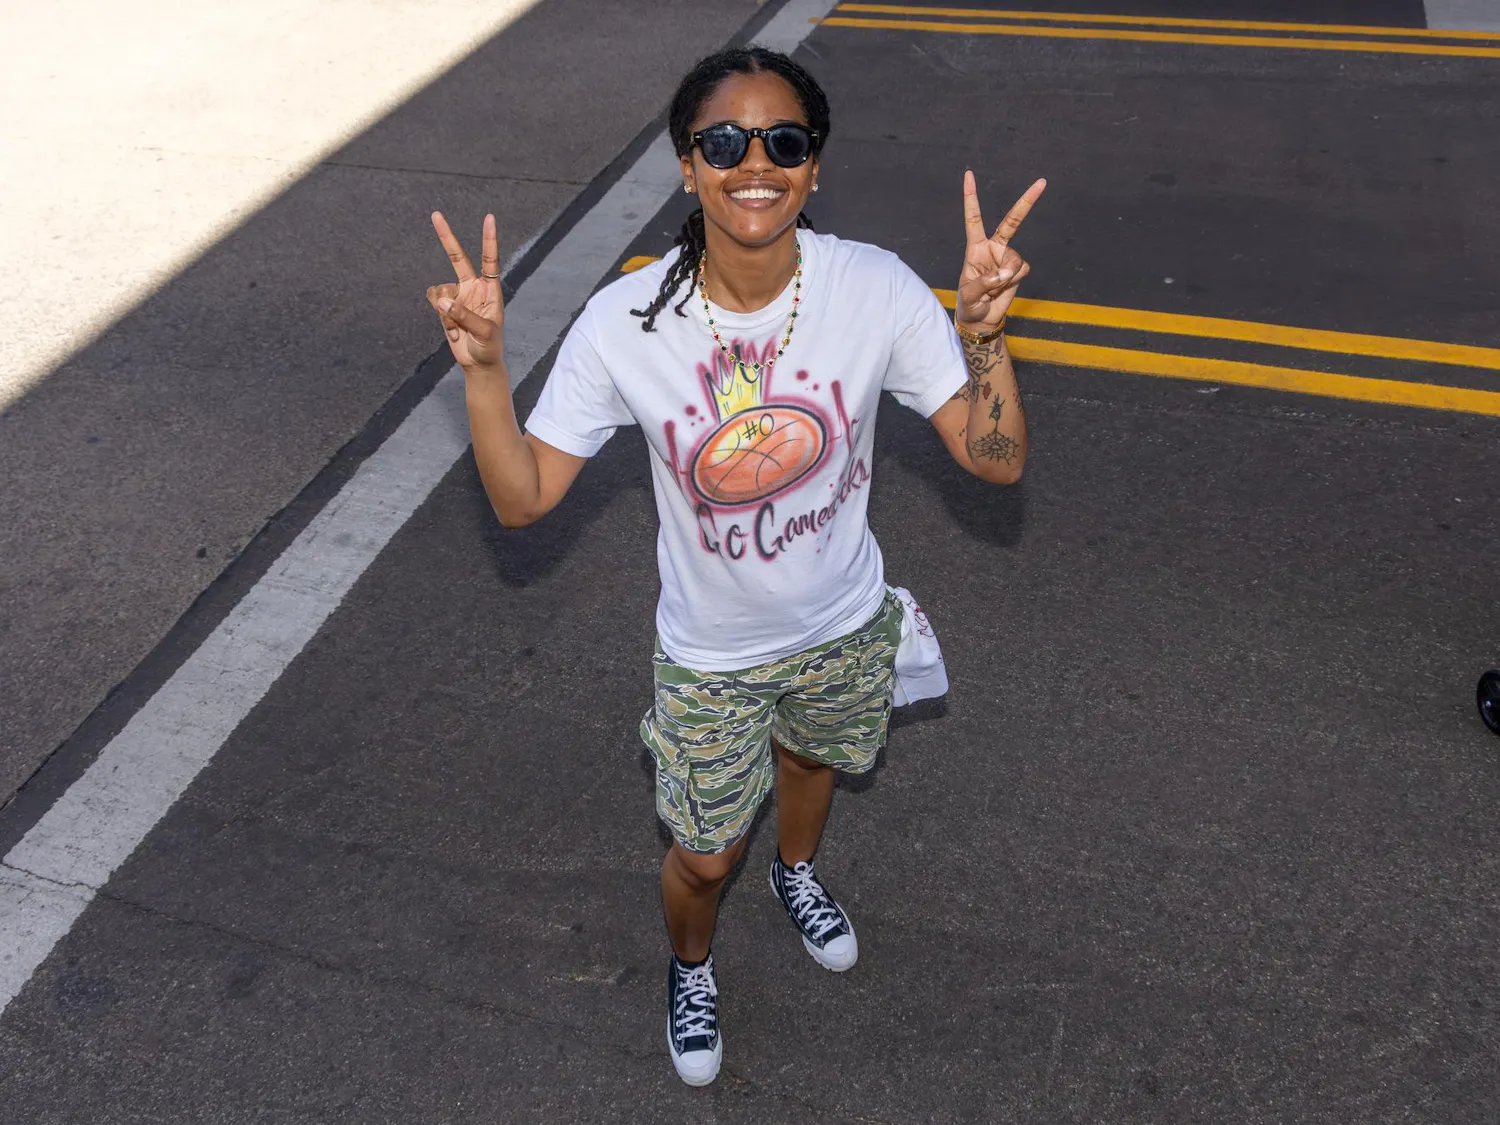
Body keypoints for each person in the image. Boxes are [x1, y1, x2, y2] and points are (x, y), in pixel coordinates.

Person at [424, 46, 1043, 1087]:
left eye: (784, 141)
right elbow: (522, 498)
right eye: (724, 142)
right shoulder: (629, 323)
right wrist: (485, 371)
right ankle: (691, 962)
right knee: (705, 856)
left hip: (844, 625)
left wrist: (982, 340)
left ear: (813, 168)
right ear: (685, 166)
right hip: (710, 656)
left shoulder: (875, 289)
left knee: (811, 768)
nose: (754, 163)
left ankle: (798, 872)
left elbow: (997, 459)